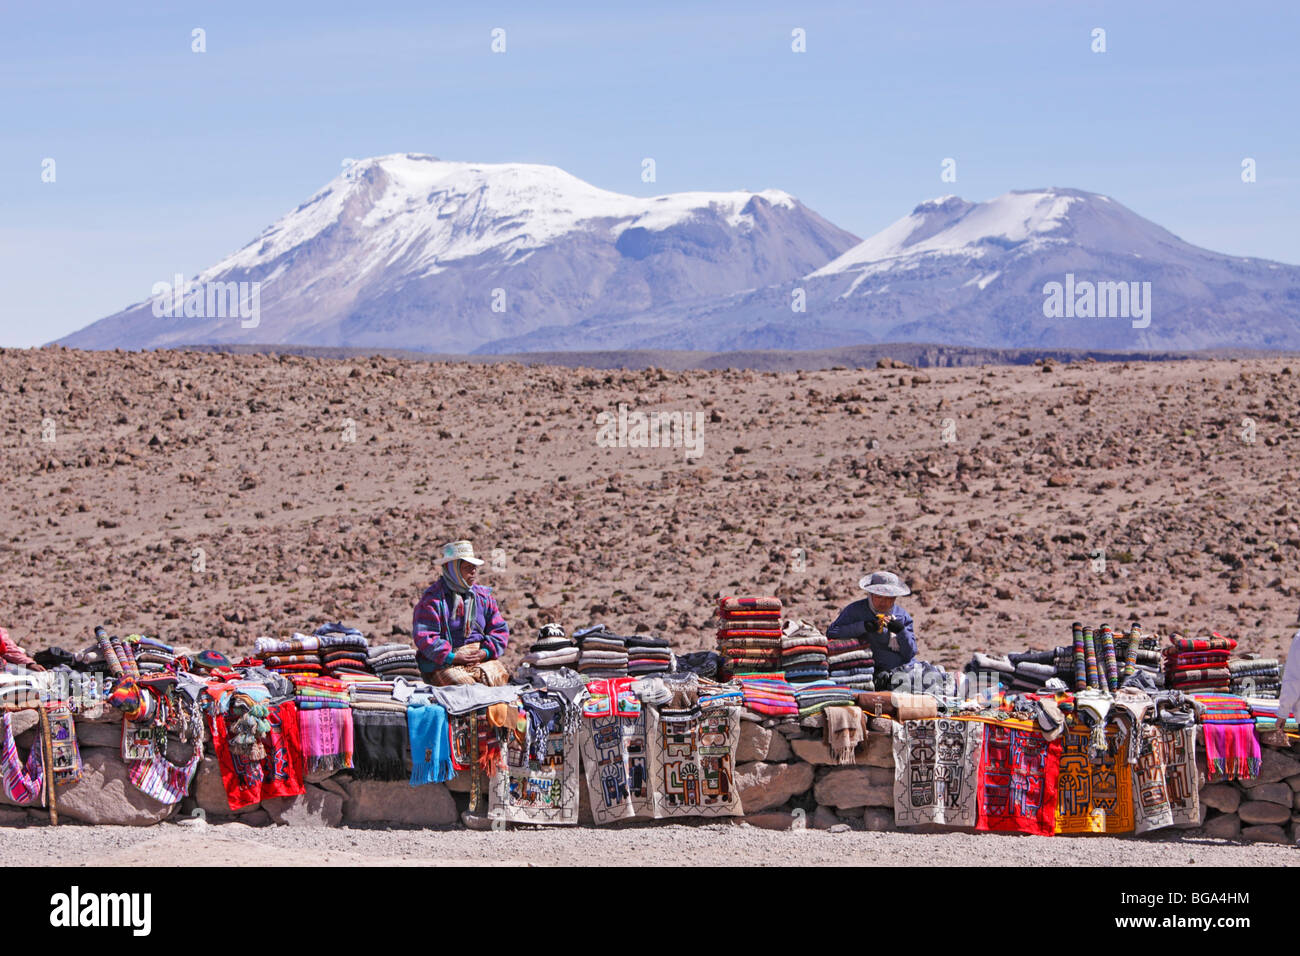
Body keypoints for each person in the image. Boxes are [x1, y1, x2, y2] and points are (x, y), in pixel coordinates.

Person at [412, 540, 510, 686]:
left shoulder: (483, 597)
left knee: (499, 678)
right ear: (452, 569)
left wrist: (485, 652)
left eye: (474, 567)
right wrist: (452, 657)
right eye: (467, 567)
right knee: (465, 687)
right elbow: (425, 636)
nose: (473, 572)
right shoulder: (432, 600)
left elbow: (499, 629)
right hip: (444, 663)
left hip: (479, 658)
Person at [826, 570, 917, 672]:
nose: (884, 603)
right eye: (879, 597)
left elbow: (910, 653)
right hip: (870, 669)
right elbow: (832, 633)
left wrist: (901, 631)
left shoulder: (902, 616)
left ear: (895, 598)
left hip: (903, 668)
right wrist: (863, 626)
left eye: (889, 598)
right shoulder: (855, 611)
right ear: (870, 594)